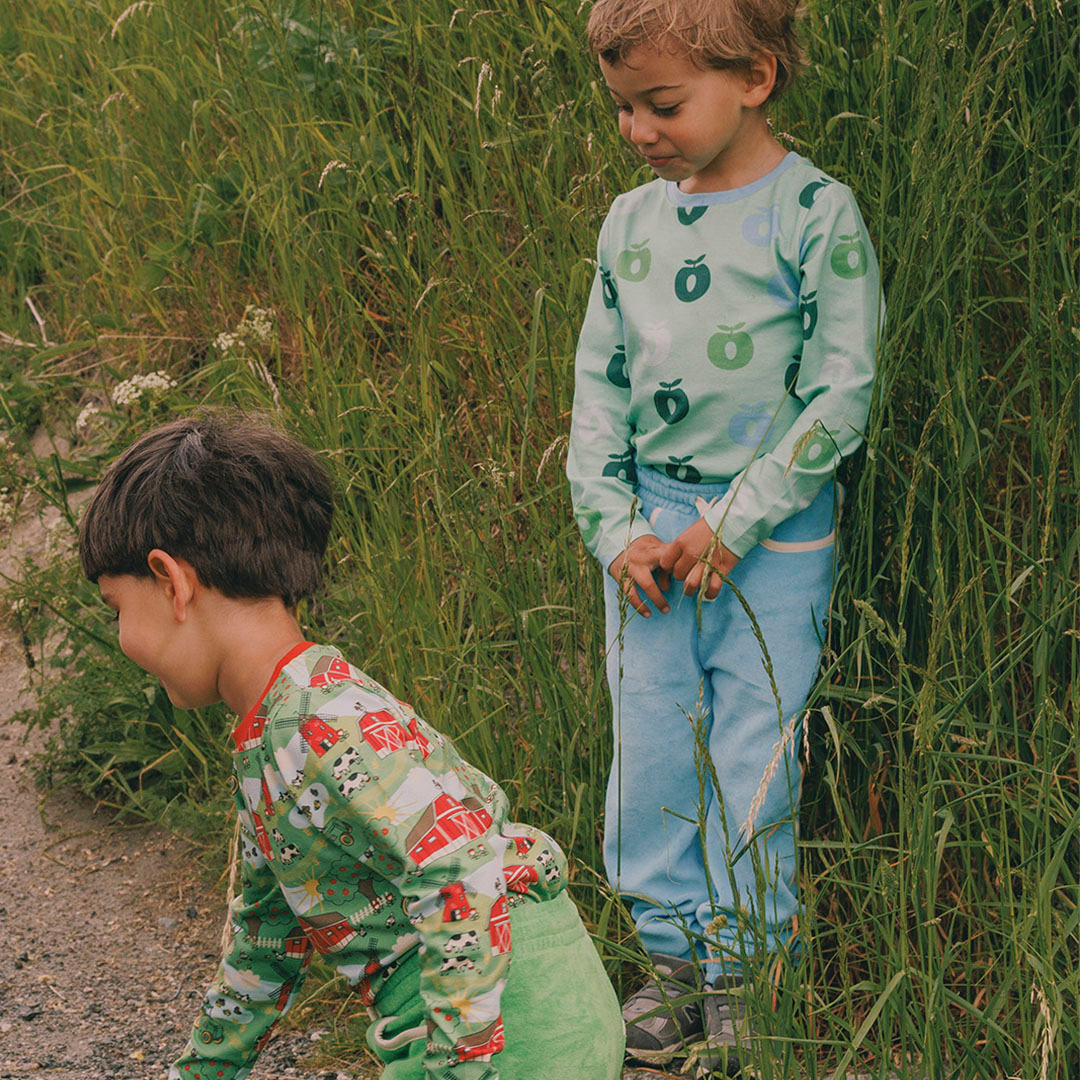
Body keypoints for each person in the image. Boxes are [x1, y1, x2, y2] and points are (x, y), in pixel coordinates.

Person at [79, 414, 624, 1080]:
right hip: (499, 1007)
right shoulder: (278, 731)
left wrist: (455, 1069)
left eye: (116, 607)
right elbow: (265, 943)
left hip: (512, 1018)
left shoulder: (318, 724)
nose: (122, 637)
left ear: (171, 581)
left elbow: (459, 865)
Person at [566, 0, 883, 1073]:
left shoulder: (814, 214)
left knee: (753, 753)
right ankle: (670, 965)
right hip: (650, 544)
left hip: (774, 538)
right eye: (623, 108)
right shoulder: (629, 225)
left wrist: (737, 519)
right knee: (650, 748)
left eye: (663, 104)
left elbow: (841, 394)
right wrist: (614, 526)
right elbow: (598, 390)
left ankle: (745, 971)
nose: (639, 130)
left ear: (754, 76)